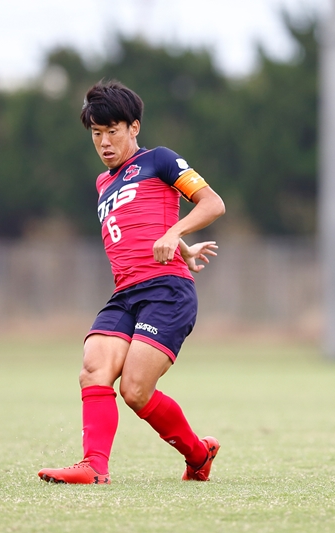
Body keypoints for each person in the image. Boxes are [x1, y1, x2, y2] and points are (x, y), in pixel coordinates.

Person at [37, 80, 226, 485]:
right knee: (93, 369)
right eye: (96, 134)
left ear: (134, 128)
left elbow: (213, 203)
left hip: (166, 291)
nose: (104, 142)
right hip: (125, 294)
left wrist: (176, 236)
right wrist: (182, 244)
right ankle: (93, 466)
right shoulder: (103, 183)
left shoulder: (160, 160)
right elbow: (141, 224)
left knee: (136, 391)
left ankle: (198, 455)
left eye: (113, 131)